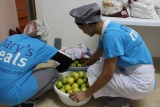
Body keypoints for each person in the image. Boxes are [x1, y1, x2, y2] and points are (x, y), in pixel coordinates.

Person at [69, 3, 155, 107]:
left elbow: (107, 75)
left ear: (86, 24)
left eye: (81, 28)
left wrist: (85, 94)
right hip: (142, 72)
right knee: (100, 64)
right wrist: (81, 68)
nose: (82, 32)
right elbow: (96, 56)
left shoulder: (110, 36)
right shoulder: (109, 28)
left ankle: (120, 104)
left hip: (140, 83)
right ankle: (121, 94)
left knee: (94, 71)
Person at [0, 20, 72, 107]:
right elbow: (67, 61)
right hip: (10, 97)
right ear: (44, 35)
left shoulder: (12, 37)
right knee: (53, 72)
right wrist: (58, 70)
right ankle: (26, 102)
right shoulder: (41, 46)